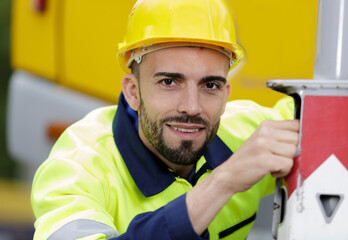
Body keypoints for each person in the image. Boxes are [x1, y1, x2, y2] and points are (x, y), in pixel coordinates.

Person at [31, 0, 299, 239]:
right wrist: (223, 182)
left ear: (226, 94)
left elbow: (330, 107)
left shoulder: (249, 136)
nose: (192, 107)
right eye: (169, 82)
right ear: (133, 91)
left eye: (210, 85)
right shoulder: (78, 169)